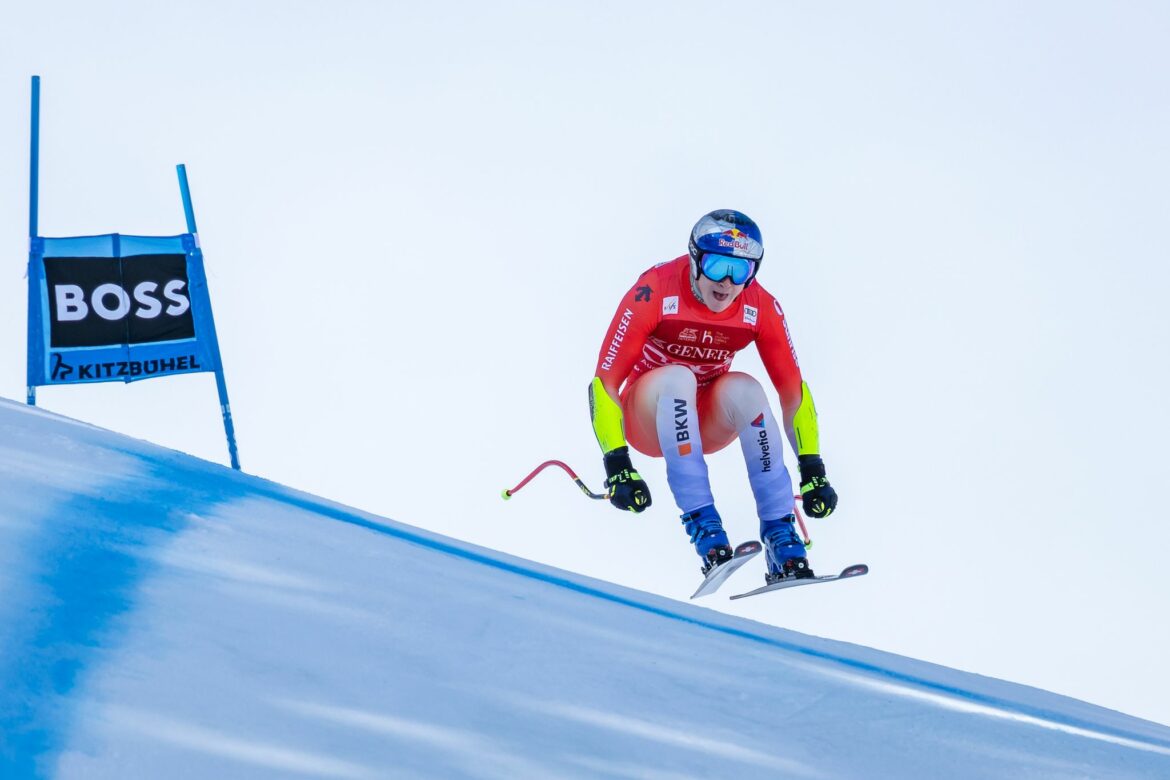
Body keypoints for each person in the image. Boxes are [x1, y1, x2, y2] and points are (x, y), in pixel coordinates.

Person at [588, 209, 838, 583]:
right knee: (677, 379)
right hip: (649, 416)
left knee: (747, 389)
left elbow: (793, 392)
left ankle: (781, 537)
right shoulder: (655, 290)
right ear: (695, 259)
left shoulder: (760, 307)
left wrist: (812, 466)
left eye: (741, 271)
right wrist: (616, 462)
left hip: (704, 422)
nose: (726, 282)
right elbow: (603, 383)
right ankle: (705, 529)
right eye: (718, 265)